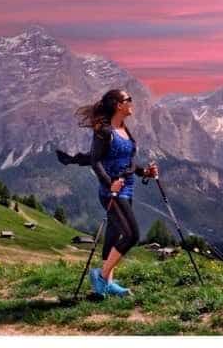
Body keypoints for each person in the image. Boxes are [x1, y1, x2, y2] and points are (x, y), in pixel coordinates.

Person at [67, 88, 158, 298]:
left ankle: (107, 282)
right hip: (112, 193)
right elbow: (95, 161)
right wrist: (109, 184)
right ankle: (102, 275)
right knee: (132, 235)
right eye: (129, 99)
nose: (132, 103)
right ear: (119, 105)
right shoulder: (104, 131)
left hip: (128, 188)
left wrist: (145, 172)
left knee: (115, 234)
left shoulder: (124, 129)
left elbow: (128, 161)